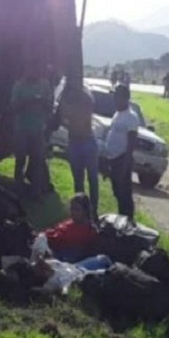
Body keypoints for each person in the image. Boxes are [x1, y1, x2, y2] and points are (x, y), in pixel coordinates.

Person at [57, 76, 99, 216]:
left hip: (87, 141)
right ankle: (81, 210)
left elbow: (80, 117)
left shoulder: (85, 97)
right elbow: (63, 114)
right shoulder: (68, 98)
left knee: (92, 178)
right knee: (78, 178)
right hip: (75, 141)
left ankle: (93, 210)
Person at [11, 61, 52, 197]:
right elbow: (14, 107)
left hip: (38, 128)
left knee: (38, 160)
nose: (33, 73)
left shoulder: (44, 85)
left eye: (36, 70)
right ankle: (18, 189)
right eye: (30, 70)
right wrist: (28, 102)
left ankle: (36, 192)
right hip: (22, 128)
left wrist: (42, 103)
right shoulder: (19, 85)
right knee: (20, 160)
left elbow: (49, 105)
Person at [105, 85, 138, 220]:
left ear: (126, 98)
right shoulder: (117, 114)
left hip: (122, 159)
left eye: (118, 96)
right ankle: (122, 218)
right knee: (117, 192)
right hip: (113, 158)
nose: (115, 99)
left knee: (124, 193)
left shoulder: (131, 117)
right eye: (114, 96)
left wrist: (125, 165)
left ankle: (128, 220)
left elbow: (131, 143)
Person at [44, 194, 100, 263]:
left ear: (85, 211)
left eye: (77, 210)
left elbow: (57, 239)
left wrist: (44, 237)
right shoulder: (72, 222)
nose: (73, 212)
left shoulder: (86, 231)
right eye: (71, 209)